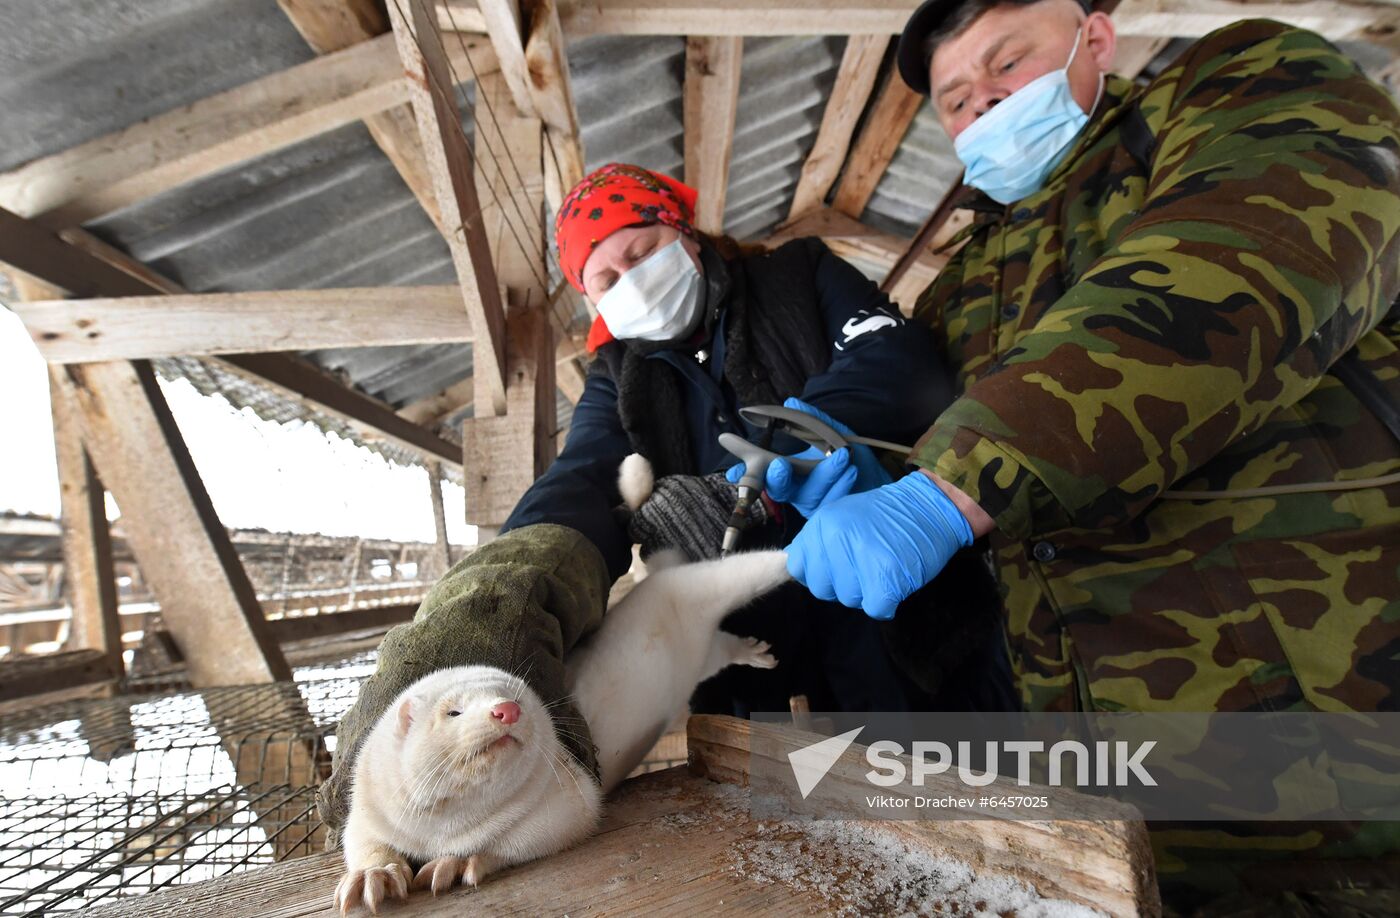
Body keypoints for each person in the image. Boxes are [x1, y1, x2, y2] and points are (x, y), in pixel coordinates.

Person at [772, 0, 1400, 909]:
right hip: (1108, 778)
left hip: (1337, 736)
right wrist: (886, 478)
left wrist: (952, 487)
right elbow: (996, 519)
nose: (981, 104)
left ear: (1094, 38)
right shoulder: (963, 288)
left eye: (1005, 63)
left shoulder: (1242, 84)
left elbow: (1246, 260)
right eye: (954, 99)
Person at [318, 163, 1012, 843]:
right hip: (752, 649)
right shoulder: (620, 373)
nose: (632, 282)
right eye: (607, 279)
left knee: (968, 809)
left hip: (892, 606)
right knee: (792, 839)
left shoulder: (798, 275)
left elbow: (900, 362)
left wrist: (770, 461)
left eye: (641, 250)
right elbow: (583, 479)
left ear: (682, 230)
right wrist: (501, 588)